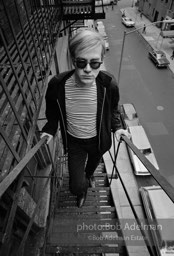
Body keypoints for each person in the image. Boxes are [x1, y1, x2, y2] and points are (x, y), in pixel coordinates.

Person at [41, 29, 130, 208]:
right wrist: (50, 129)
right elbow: (52, 111)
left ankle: (88, 177)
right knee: (74, 185)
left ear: (101, 62)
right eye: (81, 62)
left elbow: (113, 109)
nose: (88, 69)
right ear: (73, 60)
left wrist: (118, 126)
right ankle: (80, 190)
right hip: (75, 143)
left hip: (99, 142)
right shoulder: (57, 85)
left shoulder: (108, 84)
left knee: (91, 168)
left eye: (95, 63)